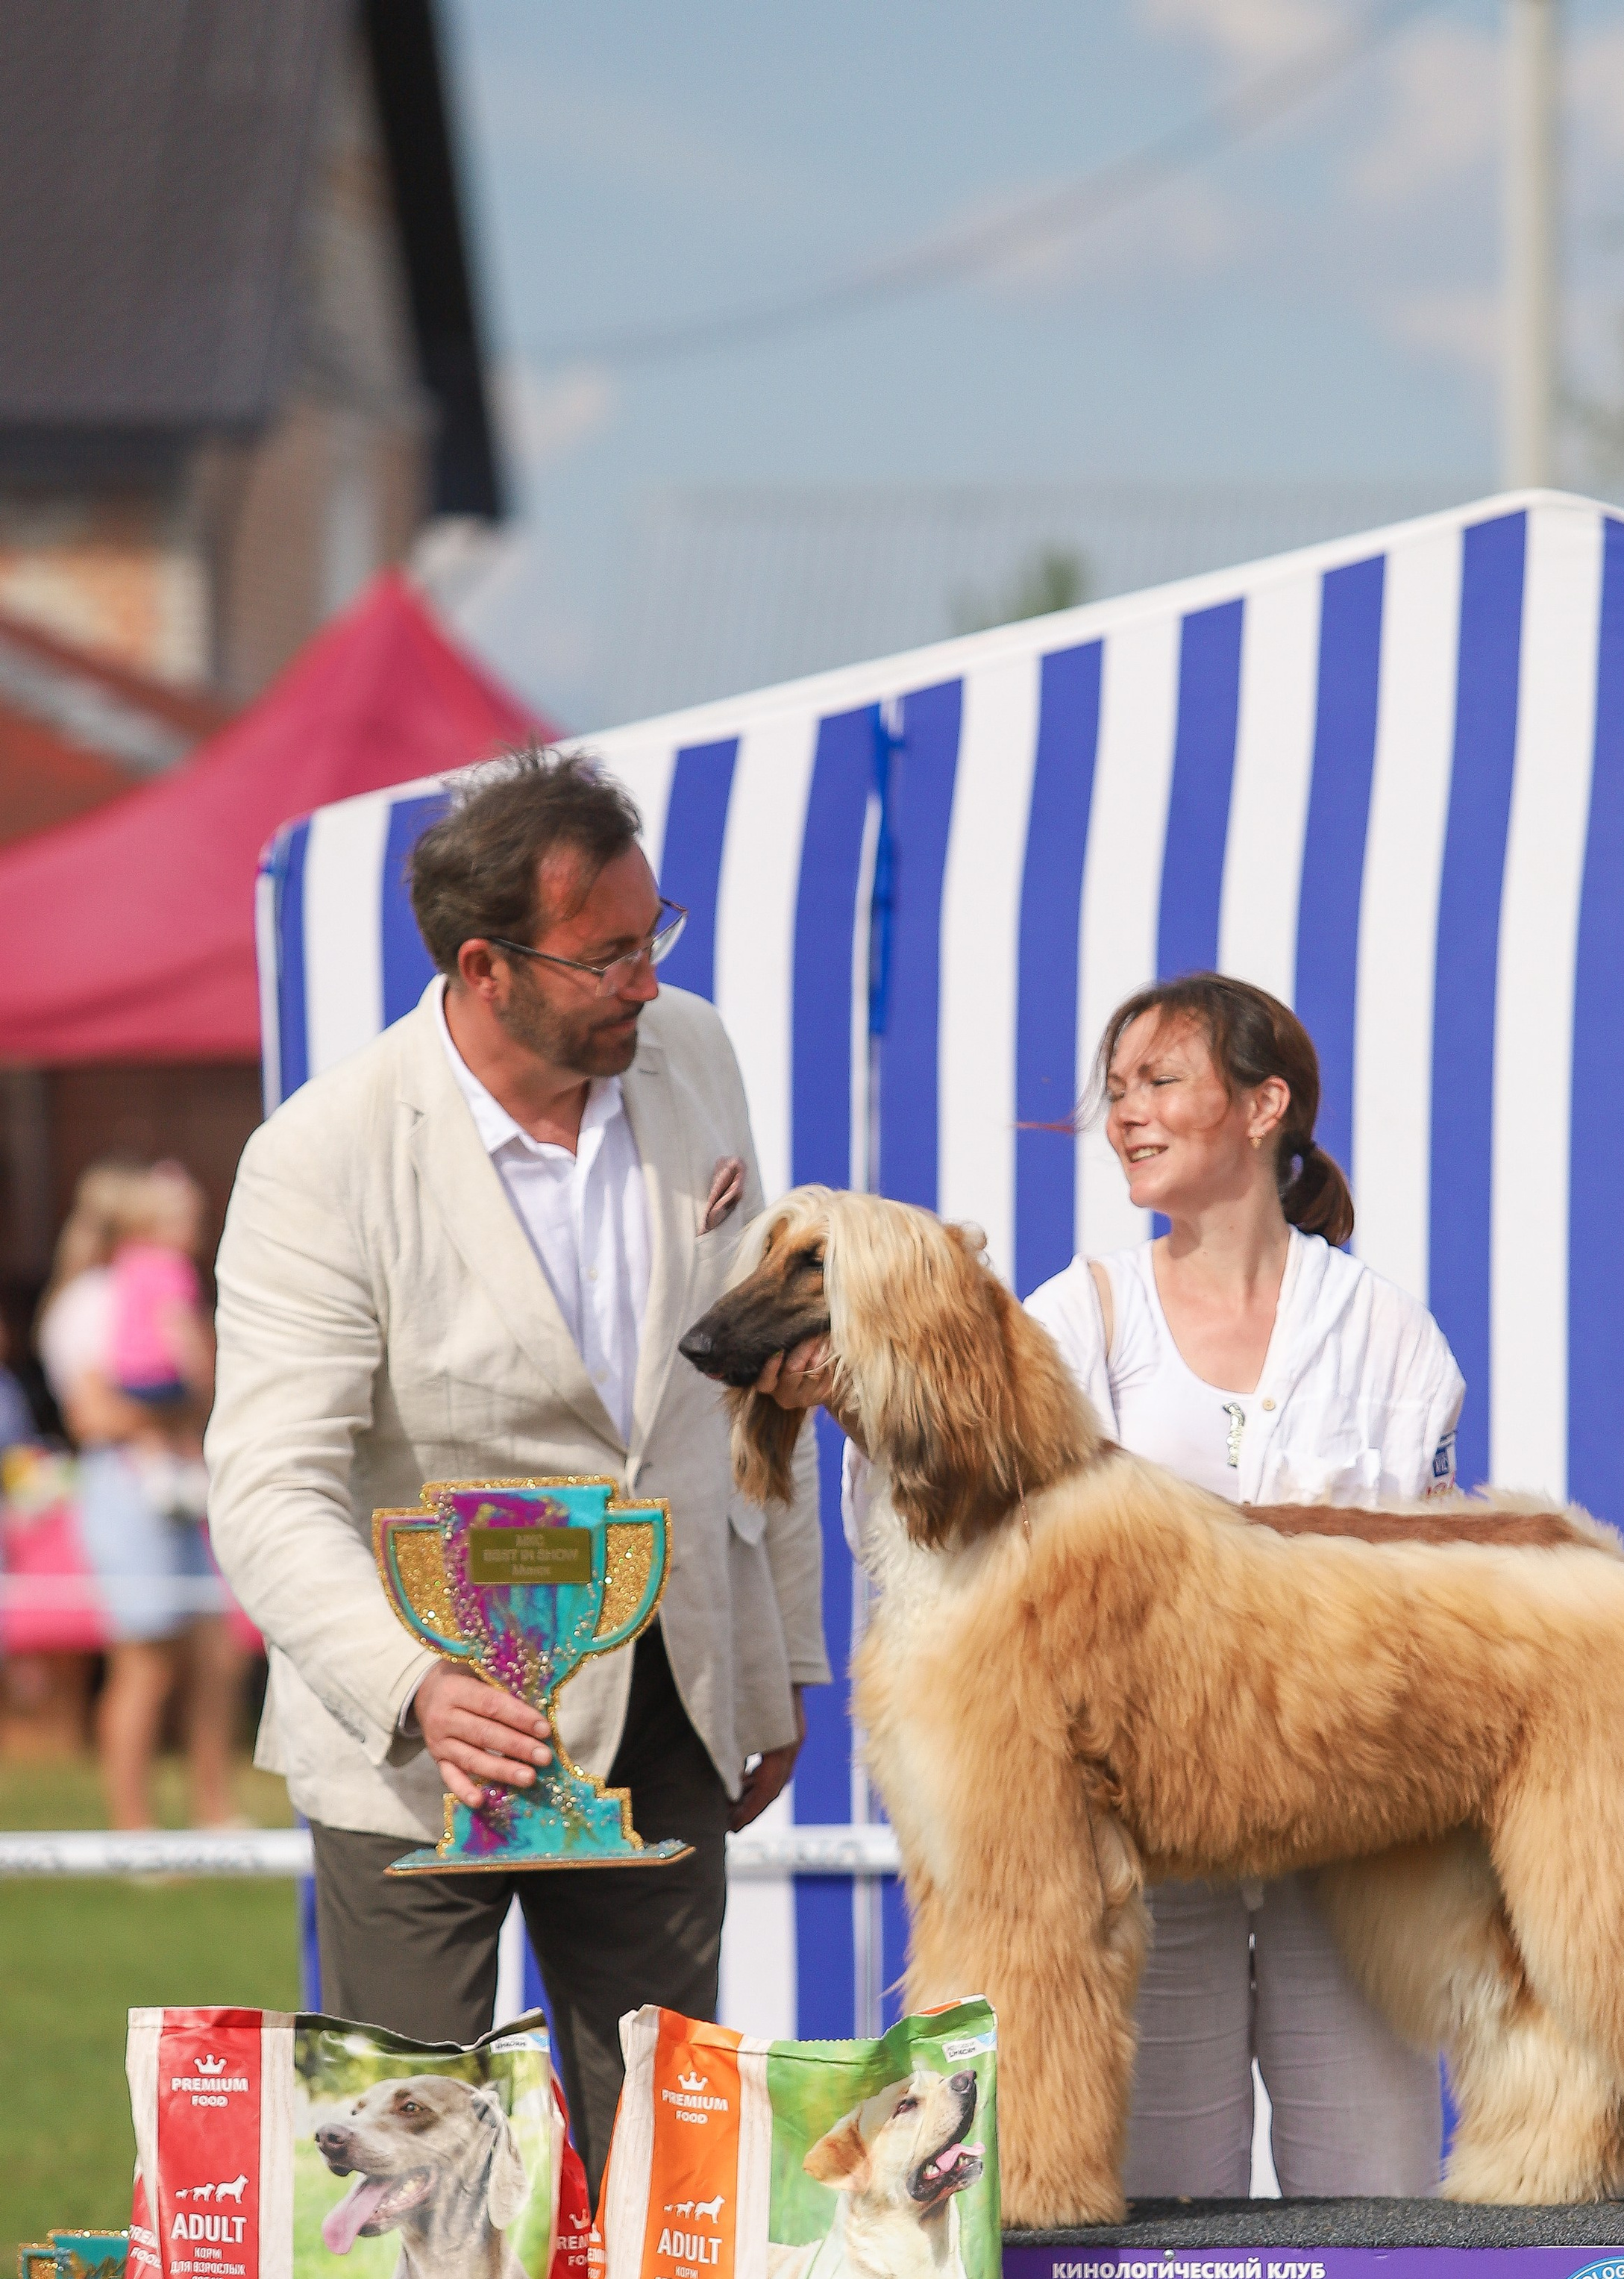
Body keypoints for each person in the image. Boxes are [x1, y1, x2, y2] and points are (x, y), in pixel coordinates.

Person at [206, 746, 827, 2190]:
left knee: (670, 2161)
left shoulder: (700, 1055)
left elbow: (748, 1389)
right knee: (410, 2167)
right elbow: (268, 1486)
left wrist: (779, 1650)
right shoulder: (322, 1154)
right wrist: (409, 1683)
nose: (645, 982)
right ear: (486, 967)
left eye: (652, 933)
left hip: (673, 1689)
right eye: (607, 954)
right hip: (421, 1740)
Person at [765, 969, 1463, 2204]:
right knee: (1160, 2191)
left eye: (1162, 1081)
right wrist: (868, 1411)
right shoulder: (1073, 1317)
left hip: (1348, 1816)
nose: (1127, 1113)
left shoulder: (1389, 1333)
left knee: (1378, 2183)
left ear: (1265, 1108)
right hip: (1134, 1819)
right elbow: (951, 1534)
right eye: (1118, 1088)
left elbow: (1433, 1573)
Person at [37, 1158, 240, 1829]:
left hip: (182, 1483)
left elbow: (203, 1388)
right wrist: (170, 1411)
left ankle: (215, 1816)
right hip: (126, 1487)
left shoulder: (168, 1291)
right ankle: (136, 1832)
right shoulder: (89, 1302)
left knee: (216, 1654)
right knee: (145, 1665)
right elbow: (95, 1416)